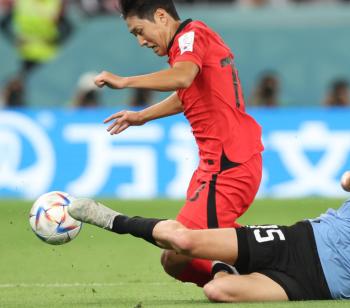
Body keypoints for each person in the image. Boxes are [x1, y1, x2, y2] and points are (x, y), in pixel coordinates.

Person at [68, 138, 350, 302]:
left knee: (217, 291)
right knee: (180, 249)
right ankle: (106, 216)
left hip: (316, 287)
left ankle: (232, 268)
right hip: (299, 243)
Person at [94, 0, 264, 287]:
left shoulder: (190, 36)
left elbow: (183, 78)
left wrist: (124, 82)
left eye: (140, 30)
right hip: (217, 167)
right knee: (174, 261)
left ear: (161, 16)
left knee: (179, 252)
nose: (140, 41)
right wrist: (142, 116)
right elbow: (189, 92)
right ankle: (254, 263)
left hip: (228, 166)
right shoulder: (190, 43)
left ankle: (274, 262)